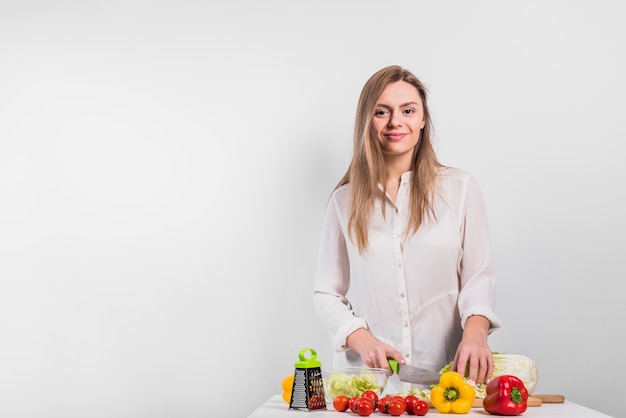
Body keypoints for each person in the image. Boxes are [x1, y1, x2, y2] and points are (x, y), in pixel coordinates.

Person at [312, 65, 502, 394]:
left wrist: (475, 334)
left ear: (423, 119)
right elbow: (327, 292)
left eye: (408, 110)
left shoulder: (460, 190)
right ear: (366, 121)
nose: (395, 122)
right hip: (367, 385)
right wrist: (363, 340)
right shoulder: (343, 202)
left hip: (445, 380)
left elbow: (478, 277)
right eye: (381, 111)